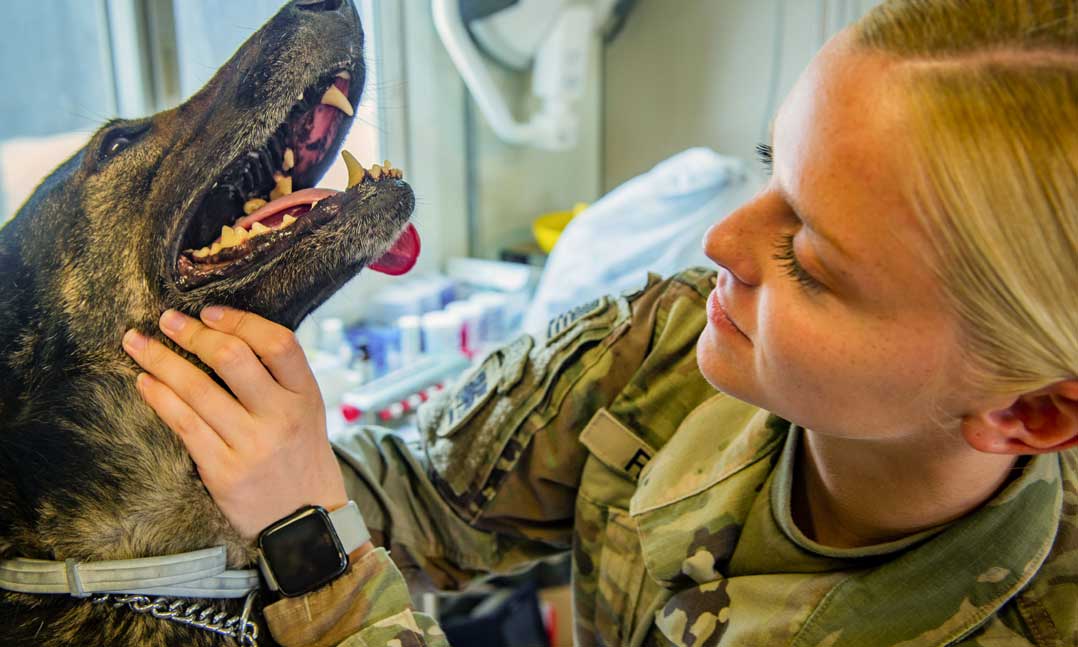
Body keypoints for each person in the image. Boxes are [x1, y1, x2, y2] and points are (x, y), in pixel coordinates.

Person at [121, 1, 1078, 645]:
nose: (722, 241)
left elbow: (325, 531)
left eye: (811, 262)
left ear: (1028, 412)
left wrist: (310, 548)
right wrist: (264, 450)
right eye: (769, 168)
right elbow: (430, 500)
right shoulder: (662, 353)